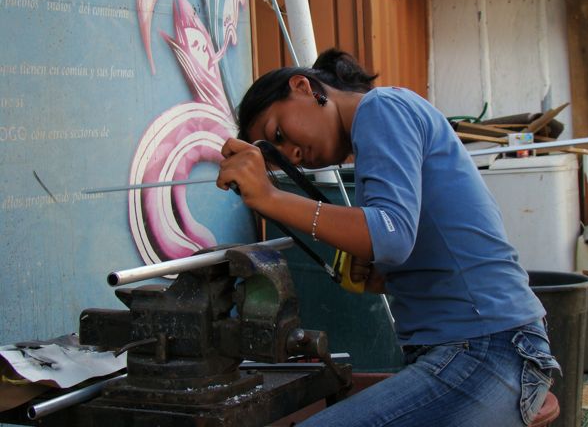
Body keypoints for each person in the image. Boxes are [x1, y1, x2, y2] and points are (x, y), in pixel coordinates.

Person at [216, 48, 560, 426]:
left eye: (278, 134)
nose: (292, 154)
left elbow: (390, 238)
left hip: (486, 346)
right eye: (278, 157)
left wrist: (270, 197)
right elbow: (416, 243)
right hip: (480, 348)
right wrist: (381, 273)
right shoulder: (378, 137)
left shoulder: (381, 108)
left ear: (303, 87)